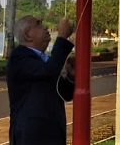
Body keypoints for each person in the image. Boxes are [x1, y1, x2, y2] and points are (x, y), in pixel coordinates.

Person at [6, 16, 76, 144]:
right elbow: (48, 72)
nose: (45, 27)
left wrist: (71, 77)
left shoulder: (43, 60)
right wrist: (61, 38)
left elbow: (65, 93)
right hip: (32, 136)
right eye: (38, 24)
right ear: (27, 35)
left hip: (51, 133)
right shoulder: (19, 57)